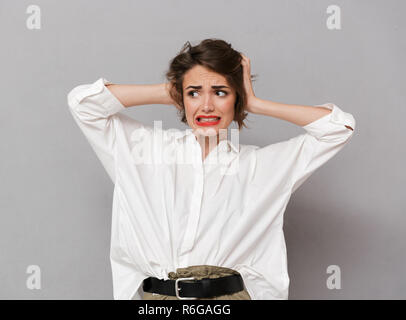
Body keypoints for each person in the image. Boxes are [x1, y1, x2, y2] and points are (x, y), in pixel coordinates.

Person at [67, 38, 355, 300]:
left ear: (236, 98)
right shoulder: (143, 150)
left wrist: (256, 103)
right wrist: (173, 89)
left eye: (220, 92)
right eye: (194, 94)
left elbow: (338, 128)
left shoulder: (262, 166)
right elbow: (83, 104)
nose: (206, 105)